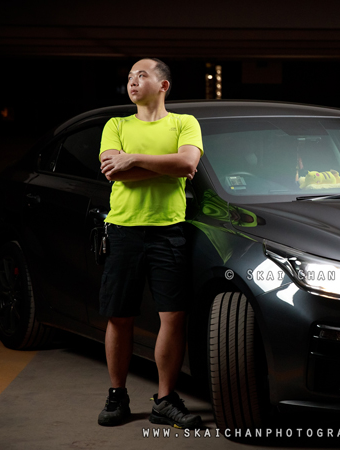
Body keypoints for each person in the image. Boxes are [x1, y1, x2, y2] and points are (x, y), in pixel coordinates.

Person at [96, 57, 203, 429]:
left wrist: (134, 160)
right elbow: (112, 170)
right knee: (119, 316)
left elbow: (188, 165)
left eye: (142, 75)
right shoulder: (116, 125)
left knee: (173, 317)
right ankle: (117, 395)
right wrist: (161, 164)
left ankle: (165, 399)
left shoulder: (184, 123)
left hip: (168, 231)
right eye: (129, 77)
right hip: (123, 230)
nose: (132, 81)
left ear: (163, 85)